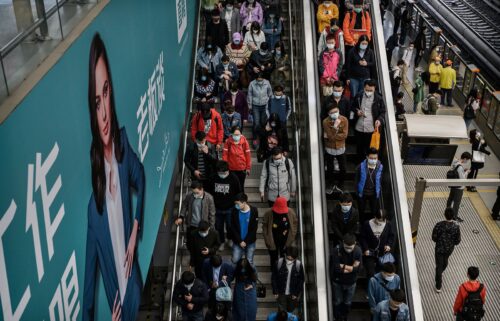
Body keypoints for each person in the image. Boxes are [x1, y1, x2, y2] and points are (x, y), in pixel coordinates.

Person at [84, 34, 145, 321]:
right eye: (97, 102)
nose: (105, 111)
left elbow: (141, 177)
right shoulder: (93, 212)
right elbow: (88, 295)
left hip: (134, 289)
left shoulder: (121, 145)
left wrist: (134, 233)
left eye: (106, 92)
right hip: (119, 310)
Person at [207, 161, 242, 249]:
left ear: (228, 170)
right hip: (217, 208)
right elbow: (208, 192)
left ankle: (229, 239)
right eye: (220, 173)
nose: (222, 174)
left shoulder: (234, 178)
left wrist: (237, 204)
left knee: (230, 226)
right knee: (218, 227)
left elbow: (239, 192)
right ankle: (221, 241)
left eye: (224, 173)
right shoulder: (213, 177)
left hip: (230, 208)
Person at [329, 233, 362, 321]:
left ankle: (344, 317)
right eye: (346, 247)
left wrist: (343, 266)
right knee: (337, 301)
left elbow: (358, 269)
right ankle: (337, 317)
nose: (348, 250)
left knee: (347, 302)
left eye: (350, 248)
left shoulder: (358, 251)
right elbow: (336, 268)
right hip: (338, 281)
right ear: (343, 242)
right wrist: (351, 268)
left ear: (354, 243)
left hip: (351, 282)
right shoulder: (336, 250)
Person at [351, 80, 386, 161]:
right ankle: (359, 163)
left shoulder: (378, 98)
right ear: (364, 88)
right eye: (367, 90)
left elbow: (383, 111)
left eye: (371, 90)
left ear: (374, 89)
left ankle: (367, 163)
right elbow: (353, 106)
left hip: (371, 129)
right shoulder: (359, 95)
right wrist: (357, 112)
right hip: (359, 127)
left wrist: (379, 120)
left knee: (369, 148)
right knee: (359, 147)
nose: (369, 92)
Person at [176, 181, 216, 248]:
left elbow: (212, 214)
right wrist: (181, 217)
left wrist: (211, 227)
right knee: (190, 244)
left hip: (202, 226)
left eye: (197, 193)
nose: (195, 194)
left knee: (202, 245)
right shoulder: (190, 195)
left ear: (202, 189)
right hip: (191, 225)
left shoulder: (209, 198)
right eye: (194, 193)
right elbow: (185, 206)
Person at [263, 197, 298, 269]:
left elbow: (294, 223)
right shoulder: (268, 213)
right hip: (272, 239)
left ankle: (283, 274)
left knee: (285, 259)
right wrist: (267, 238)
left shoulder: (290, 212)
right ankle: (274, 274)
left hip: (286, 240)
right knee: (273, 259)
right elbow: (265, 226)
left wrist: (293, 234)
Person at [432, 208, 461, 293]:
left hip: (439, 249)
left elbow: (434, 237)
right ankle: (438, 284)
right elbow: (458, 240)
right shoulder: (456, 227)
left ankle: (439, 274)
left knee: (440, 265)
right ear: (453, 216)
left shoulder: (438, 225)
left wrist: (439, 241)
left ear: (444, 214)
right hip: (449, 250)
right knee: (443, 264)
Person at [360, 209, 395, 279]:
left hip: (382, 253)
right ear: (375, 216)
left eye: (382, 220)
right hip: (370, 252)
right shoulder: (367, 224)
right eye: (379, 219)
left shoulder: (388, 224)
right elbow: (362, 237)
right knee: (370, 272)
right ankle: (370, 286)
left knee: (381, 271)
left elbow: (391, 236)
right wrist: (365, 249)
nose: (380, 222)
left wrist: (388, 245)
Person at [323, 103, 348, 192]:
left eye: (336, 111)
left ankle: (341, 184)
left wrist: (333, 136)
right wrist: (335, 127)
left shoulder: (344, 119)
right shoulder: (325, 122)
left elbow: (344, 135)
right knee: (330, 168)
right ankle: (331, 183)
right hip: (330, 148)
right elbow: (329, 136)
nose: (335, 113)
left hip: (341, 148)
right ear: (329, 114)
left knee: (343, 167)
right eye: (332, 112)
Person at [271, 246, 305, 313]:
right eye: (288, 258)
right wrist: (275, 291)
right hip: (281, 293)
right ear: (285, 255)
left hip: (292, 294)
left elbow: (301, 280)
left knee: (290, 312)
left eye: (292, 259)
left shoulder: (298, 265)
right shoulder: (279, 263)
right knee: (282, 313)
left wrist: (296, 293)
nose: (289, 260)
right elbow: (273, 278)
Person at [230, 193, 259, 265]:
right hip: (237, 241)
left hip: (250, 242)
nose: (236, 206)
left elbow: (254, 229)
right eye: (235, 204)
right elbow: (233, 227)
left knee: (249, 262)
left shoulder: (254, 211)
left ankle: (254, 276)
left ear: (244, 202)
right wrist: (240, 241)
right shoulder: (234, 211)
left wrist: (245, 241)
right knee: (235, 260)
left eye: (238, 204)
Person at [355, 148, 383, 221]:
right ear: (367, 157)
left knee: (373, 210)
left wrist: (378, 191)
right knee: (361, 210)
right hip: (362, 193)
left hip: (374, 193)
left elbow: (380, 180)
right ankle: (361, 222)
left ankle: (372, 223)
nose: (373, 160)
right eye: (371, 158)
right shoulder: (360, 167)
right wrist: (357, 192)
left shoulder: (380, 167)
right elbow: (356, 180)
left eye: (375, 158)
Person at [222, 126, 252, 191]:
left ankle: (241, 200)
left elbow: (248, 155)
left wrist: (248, 168)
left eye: (238, 134)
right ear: (232, 134)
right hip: (231, 169)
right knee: (232, 186)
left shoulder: (244, 142)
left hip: (242, 169)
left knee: (241, 186)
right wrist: (225, 167)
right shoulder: (227, 142)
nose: (237, 136)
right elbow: (225, 155)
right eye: (235, 134)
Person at [446, 152, 472, 222]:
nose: (467, 161)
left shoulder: (455, 162)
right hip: (459, 187)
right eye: (468, 160)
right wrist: (466, 172)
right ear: (465, 159)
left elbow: (455, 172)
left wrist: (463, 171)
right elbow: (462, 179)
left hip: (453, 185)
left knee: (450, 198)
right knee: (457, 202)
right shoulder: (460, 167)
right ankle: (454, 217)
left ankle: (447, 211)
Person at [248, 72, 273, 143]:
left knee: (263, 122)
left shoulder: (267, 83)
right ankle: (255, 138)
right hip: (255, 105)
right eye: (258, 80)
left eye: (261, 80)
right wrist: (249, 105)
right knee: (256, 123)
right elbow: (249, 95)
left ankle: (263, 137)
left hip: (265, 105)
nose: (259, 81)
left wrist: (270, 103)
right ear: (256, 79)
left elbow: (270, 93)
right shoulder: (252, 84)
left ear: (263, 78)